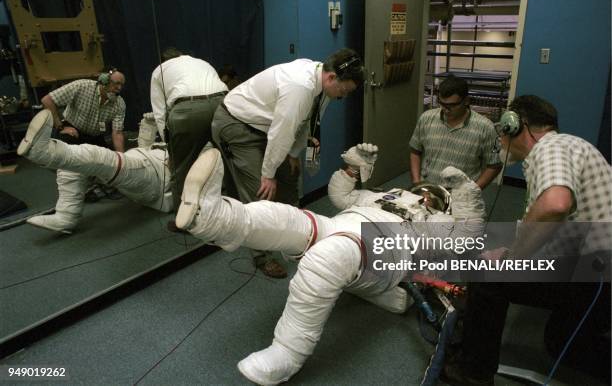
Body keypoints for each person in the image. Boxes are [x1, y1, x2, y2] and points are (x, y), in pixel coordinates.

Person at [173, 141, 487, 385]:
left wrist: (468, 196)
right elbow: (340, 196)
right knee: (289, 219)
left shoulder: (434, 223)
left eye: (434, 198)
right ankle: (213, 219)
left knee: (327, 258)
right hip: (339, 227)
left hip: (384, 252)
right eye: (424, 192)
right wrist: (352, 170)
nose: (425, 197)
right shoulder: (379, 196)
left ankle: (286, 353)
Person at [442, 95, 612, 386]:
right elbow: (549, 224)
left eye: (503, 128)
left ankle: (473, 374)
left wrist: (510, 259)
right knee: (562, 343)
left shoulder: (551, 147)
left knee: (486, 277)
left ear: (514, 125)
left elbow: (555, 204)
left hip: (596, 275)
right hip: (595, 272)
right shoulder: (570, 147)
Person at [211, 48, 365, 277]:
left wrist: (293, 154)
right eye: (343, 90)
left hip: (266, 127)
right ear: (332, 77)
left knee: (290, 175)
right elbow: (281, 133)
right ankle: (262, 256)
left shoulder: (321, 81)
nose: (343, 96)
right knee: (260, 191)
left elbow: (307, 120)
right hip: (237, 124)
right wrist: (268, 174)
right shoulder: (300, 87)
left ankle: (295, 233)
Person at [18, 109, 172, 233]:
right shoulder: (172, 141)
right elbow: (143, 146)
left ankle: (43, 152)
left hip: (154, 179)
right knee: (73, 167)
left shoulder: (187, 151)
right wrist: (148, 123)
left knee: (96, 156)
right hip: (139, 165)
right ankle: (65, 217)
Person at [33, 69, 127, 232]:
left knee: (107, 166)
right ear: (104, 81)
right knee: (68, 165)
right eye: (116, 83)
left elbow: (117, 133)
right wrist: (61, 125)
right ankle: (69, 204)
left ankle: (92, 187)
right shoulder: (81, 86)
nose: (119, 88)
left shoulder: (119, 104)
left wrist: (122, 157)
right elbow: (47, 100)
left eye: (122, 85)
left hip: (94, 136)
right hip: (71, 130)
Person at [150, 47, 228, 228]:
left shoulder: (159, 71)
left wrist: (170, 149)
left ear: (163, 60)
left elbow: (160, 113)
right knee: (228, 163)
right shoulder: (202, 62)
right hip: (222, 104)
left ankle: (184, 222)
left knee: (181, 169)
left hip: (188, 110)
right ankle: (231, 214)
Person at [409, 75, 502, 189]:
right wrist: (417, 183)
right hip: (428, 190)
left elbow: (494, 164)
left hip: (462, 196)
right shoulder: (426, 118)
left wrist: (473, 191)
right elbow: (415, 151)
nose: (446, 109)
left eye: (452, 105)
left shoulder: (485, 128)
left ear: (466, 101)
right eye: (442, 104)